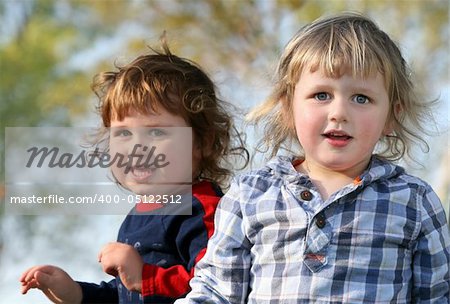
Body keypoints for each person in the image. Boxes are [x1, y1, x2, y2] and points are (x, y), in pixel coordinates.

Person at [175, 12, 450, 303]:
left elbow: (437, 295)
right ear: (287, 108)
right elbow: (216, 291)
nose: (339, 113)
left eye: (361, 98)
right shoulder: (251, 194)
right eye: (321, 95)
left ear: (391, 117)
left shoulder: (413, 200)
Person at [19, 38, 248, 303]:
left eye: (156, 131)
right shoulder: (137, 216)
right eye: (124, 133)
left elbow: (219, 281)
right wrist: (76, 293)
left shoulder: (201, 209)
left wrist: (144, 277)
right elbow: (124, 294)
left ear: (202, 142)